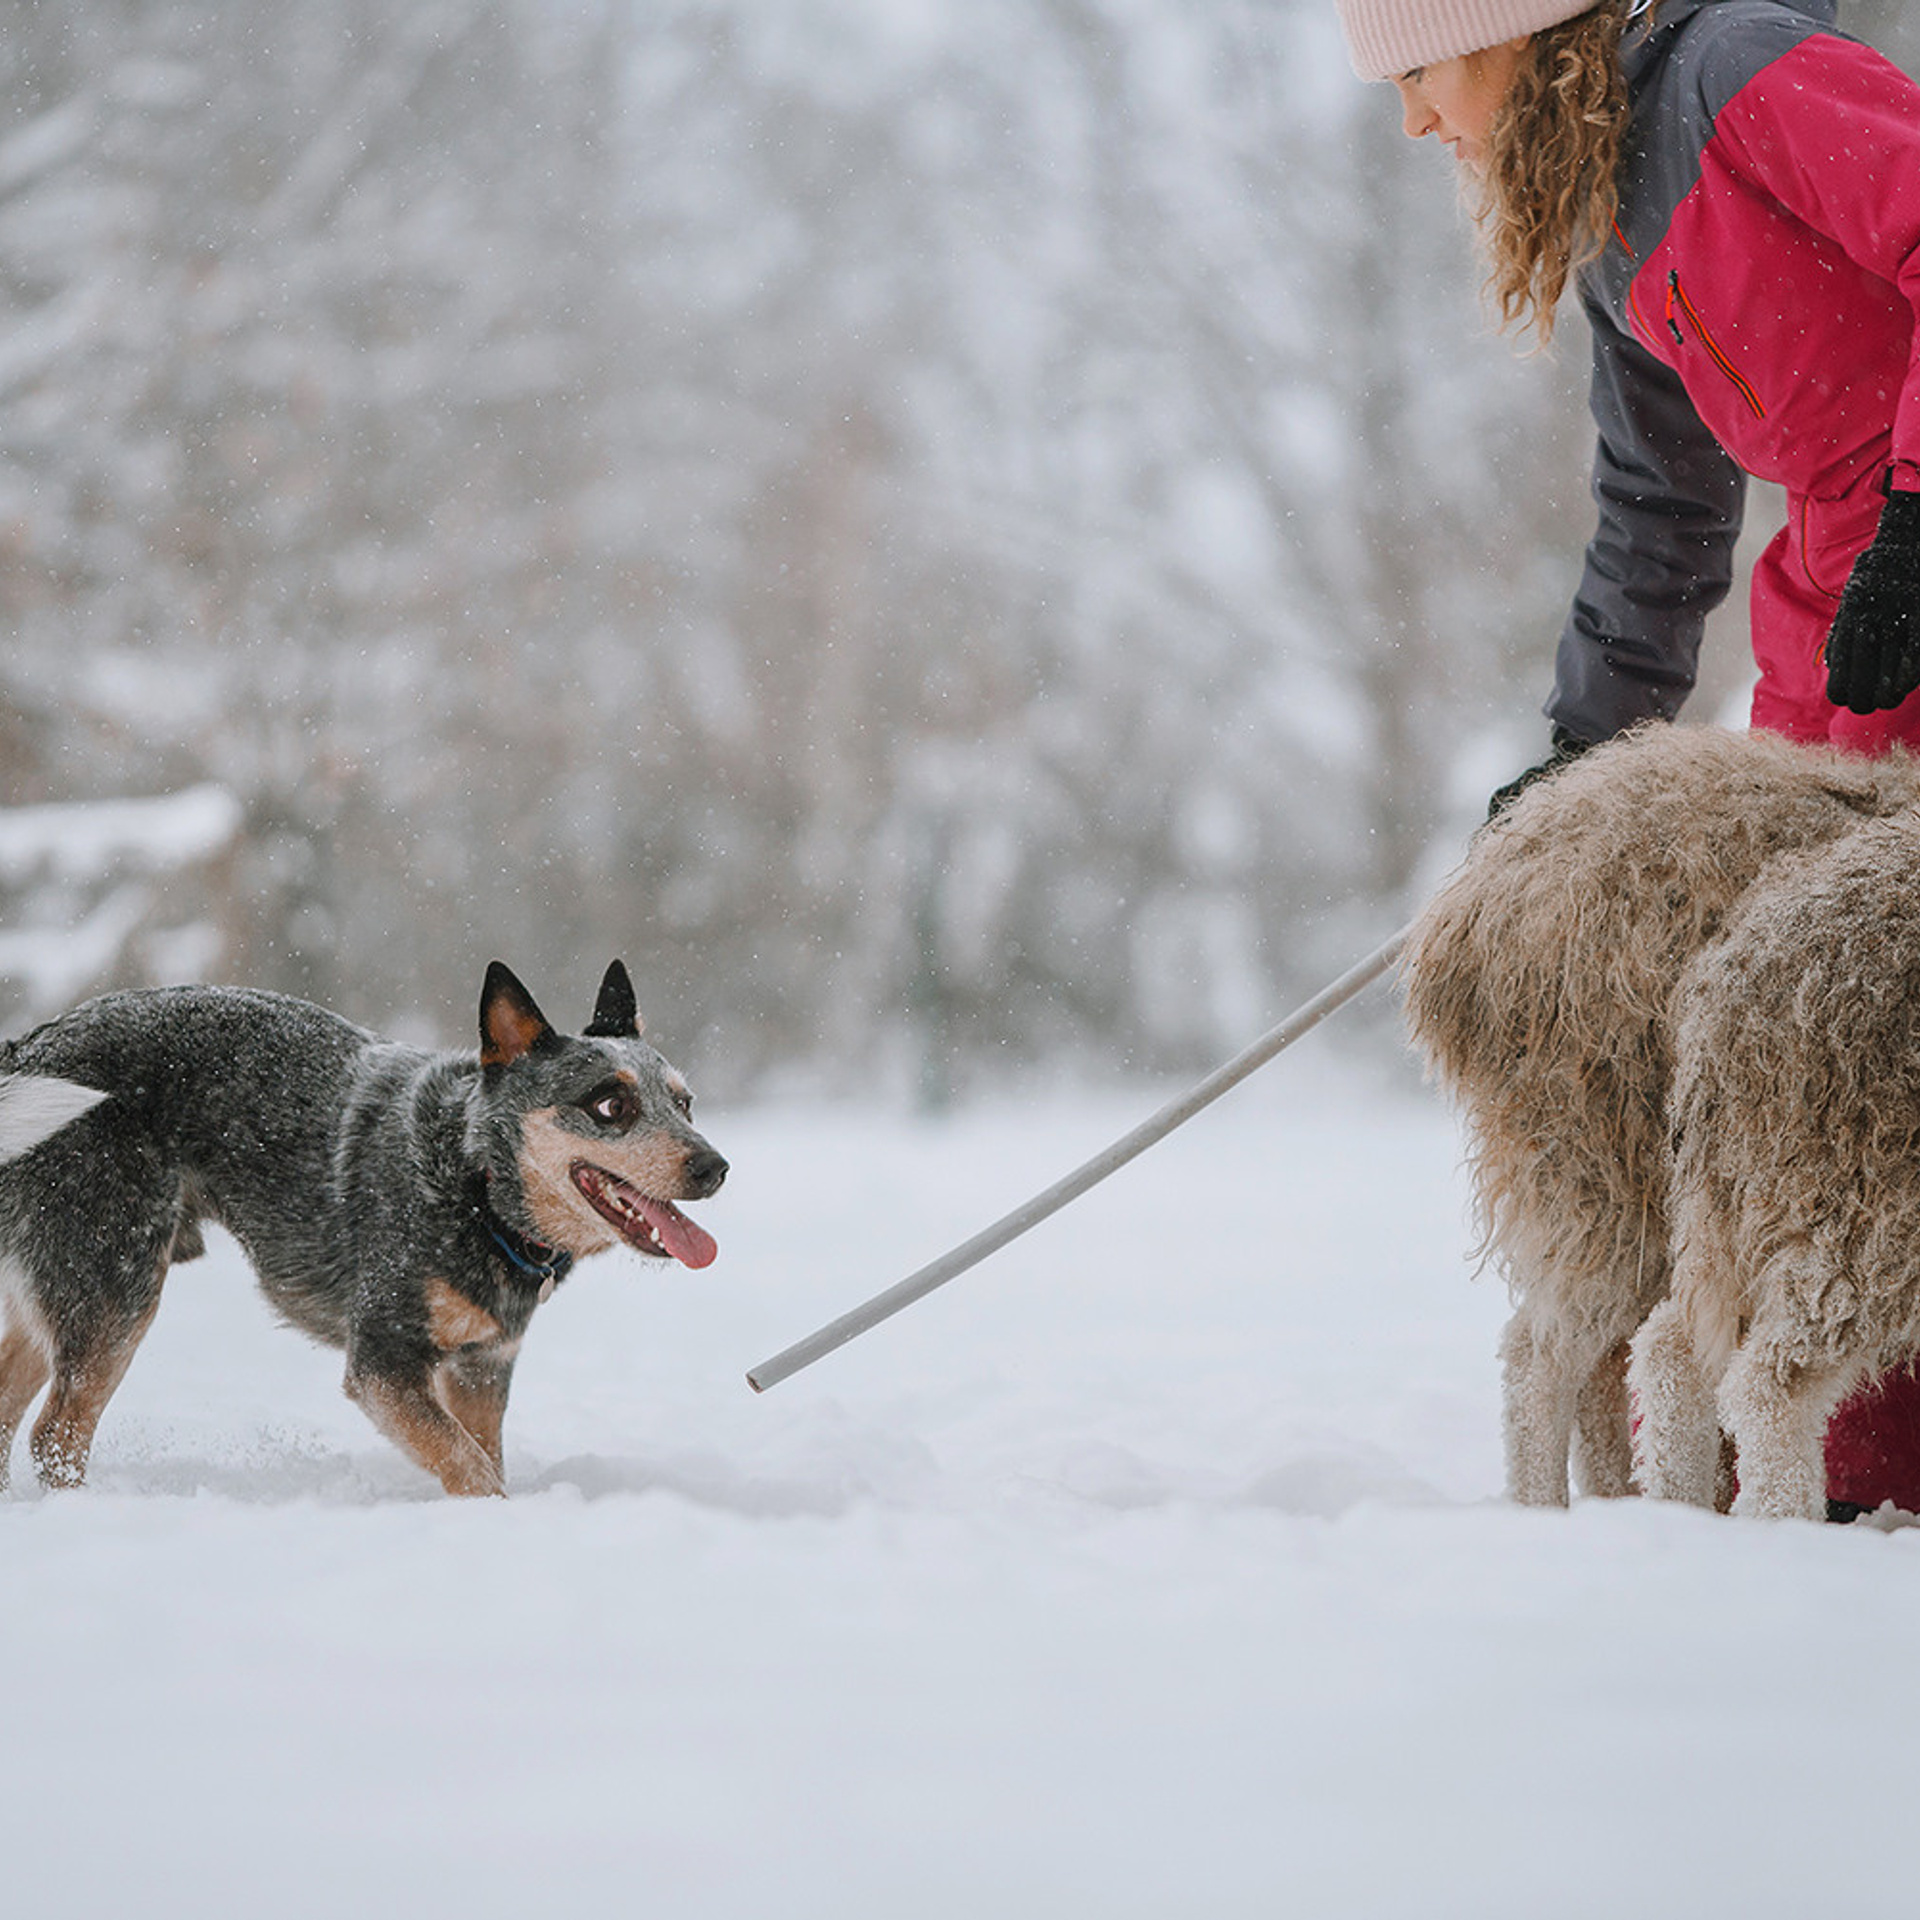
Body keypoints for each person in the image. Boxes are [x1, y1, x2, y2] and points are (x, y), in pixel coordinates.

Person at [1337, 0, 1920, 1515]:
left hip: (1906, 542)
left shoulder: (1746, 77)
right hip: (1834, 614)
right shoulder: (1613, 204)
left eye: (1419, 74)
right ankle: (1843, 1479)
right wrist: (1583, 748)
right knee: (1813, 1062)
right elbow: (1661, 513)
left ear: (1521, 28)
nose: (1414, 124)